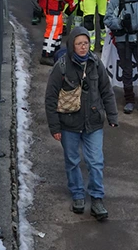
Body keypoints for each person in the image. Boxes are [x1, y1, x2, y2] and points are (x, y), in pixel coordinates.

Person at [44, 27, 118, 220]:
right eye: (79, 44)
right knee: (72, 161)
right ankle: (77, 194)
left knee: (95, 162)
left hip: (93, 123)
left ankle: (97, 198)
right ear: (72, 46)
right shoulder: (60, 67)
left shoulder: (96, 64)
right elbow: (50, 98)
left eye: (86, 43)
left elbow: (106, 91)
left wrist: (112, 116)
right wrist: (55, 127)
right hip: (69, 124)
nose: (83, 47)